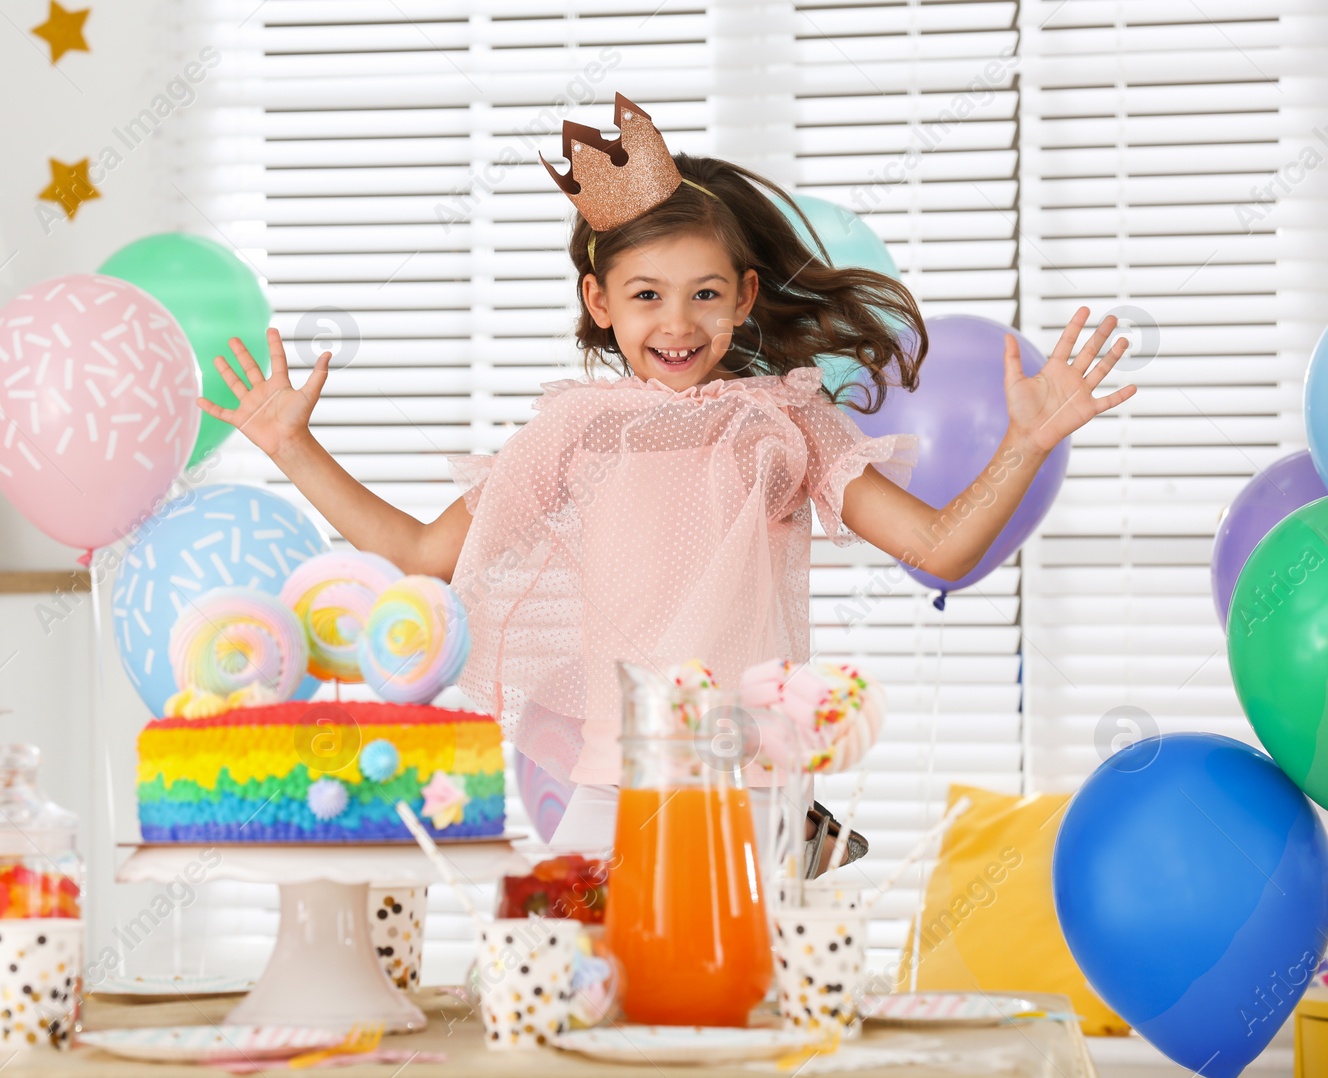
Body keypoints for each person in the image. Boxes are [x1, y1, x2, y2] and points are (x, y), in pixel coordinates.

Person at [197, 93, 1137, 859]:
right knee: (581, 997)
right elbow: (421, 555)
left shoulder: (785, 419)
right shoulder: (573, 431)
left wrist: (1029, 439)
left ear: (745, 299)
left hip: (752, 792)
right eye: (646, 296)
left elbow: (939, 547)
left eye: (705, 295)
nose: (677, 324)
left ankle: (806, 852)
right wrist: (292, 448)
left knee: (738, 1016)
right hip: (612, 785)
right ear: (599, 303)